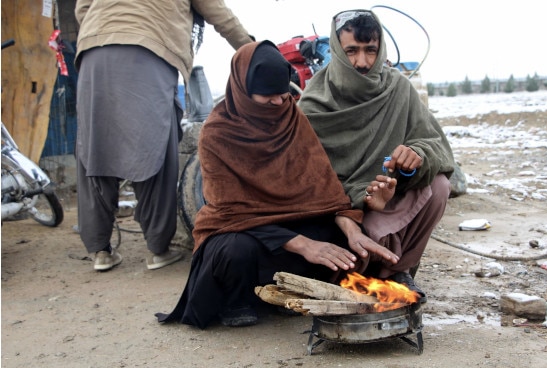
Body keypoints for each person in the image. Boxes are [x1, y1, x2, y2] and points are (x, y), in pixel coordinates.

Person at [156, 40, 395, 328]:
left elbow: (325, 189)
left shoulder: (292, 117)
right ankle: (238, 300)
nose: (279, 105)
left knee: (336, 239)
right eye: (268, 98)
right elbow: (230, 211)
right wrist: (303, 245)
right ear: (243, 91)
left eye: (284, 96)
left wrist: (350, 226)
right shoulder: (217, 133)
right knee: (233, 250)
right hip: (241, 227)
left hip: (295, 222)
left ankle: (292, 291)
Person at [74, 0, 254, 271]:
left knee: (95, 149)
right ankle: (157, 249)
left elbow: (82, 9)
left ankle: (100, 251)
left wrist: (110, 28)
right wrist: (253, 50)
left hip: (94, 52)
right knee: (153, 149)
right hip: (149, 51)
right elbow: (222, 17)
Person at [298, 9, 456, 303]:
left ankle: (398, 271)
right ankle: (360, 278)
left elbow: (436, 146)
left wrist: (414, 158)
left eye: (370, 50)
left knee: (439, 187)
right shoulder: (314, 102)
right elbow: (306, 178)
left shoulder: (399, 89)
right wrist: (359, 201)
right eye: (352, 51)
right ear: (336, 49)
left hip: (388, 198)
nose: (362, 62)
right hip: (338, 211)